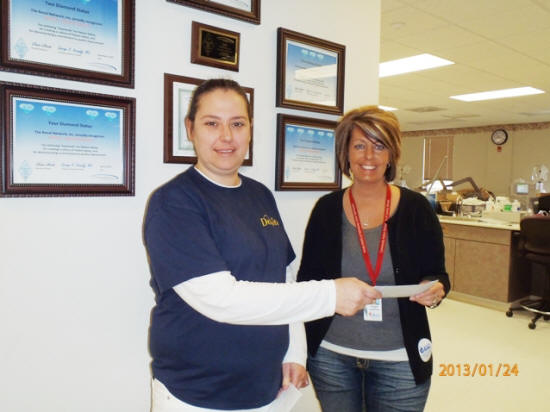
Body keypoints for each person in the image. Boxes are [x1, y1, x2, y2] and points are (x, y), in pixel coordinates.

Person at [143, 79, 381, 412]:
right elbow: (219, 299)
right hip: (197, 393)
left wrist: (293, 352)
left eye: (237, 124)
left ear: (250, 130)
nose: (226, 136)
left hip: (266, 388)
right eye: (212, 123)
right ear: (190, 129)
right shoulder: (174, 202)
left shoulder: (260, 195)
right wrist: (330, 296)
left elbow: (284, 278)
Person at [297, 106, 451, 412]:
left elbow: (438, 274)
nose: (369, 156)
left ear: (391, 154)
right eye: (359, 145)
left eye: (379, 146)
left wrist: (435, 289)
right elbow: (307, 281)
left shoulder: (417, 208)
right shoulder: (326, 209)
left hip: (400, 359)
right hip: (332, 355)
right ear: (346, 152)